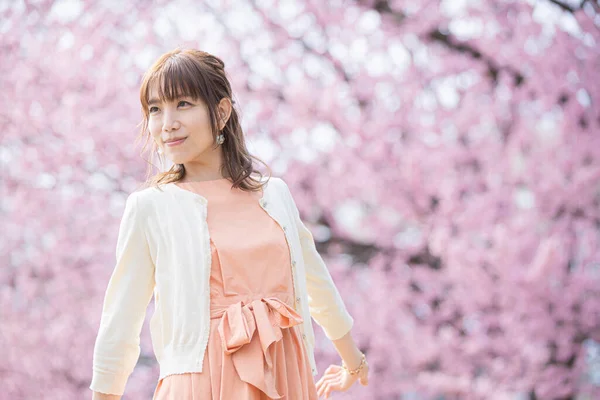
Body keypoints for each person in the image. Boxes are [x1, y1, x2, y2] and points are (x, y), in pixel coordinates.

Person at [89, 47, 369, 400]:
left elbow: (316, 283)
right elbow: (121, 320)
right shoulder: (151, 207)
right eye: (155, 109)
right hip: (198, 384)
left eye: (183, 104)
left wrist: (352, 361)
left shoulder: (275, 196)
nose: (167, 123)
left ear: (220, 112)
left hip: (285, 379)